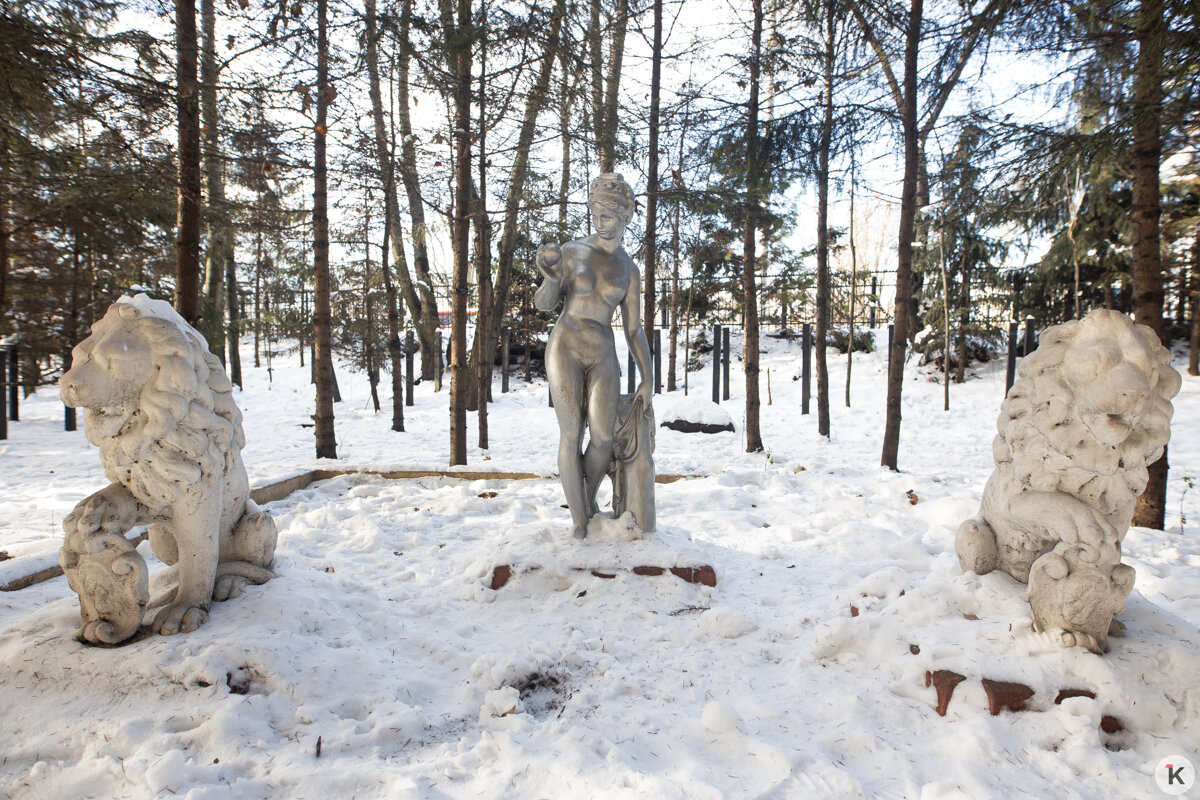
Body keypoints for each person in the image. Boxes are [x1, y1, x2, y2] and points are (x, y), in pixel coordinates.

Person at [535, 173, 653, 539]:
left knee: (603, 437)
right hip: (566, 343)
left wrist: (648, 377)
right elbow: (543, 305)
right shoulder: (571, 252)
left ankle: (584, 500)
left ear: (627, 217)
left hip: (603, 350)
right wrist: (550, 278)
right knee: (571, 434)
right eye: (597, 213)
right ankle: (580, 522)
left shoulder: (629, 270)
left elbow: (634, 329)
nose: (602, 221)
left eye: (610, 215)